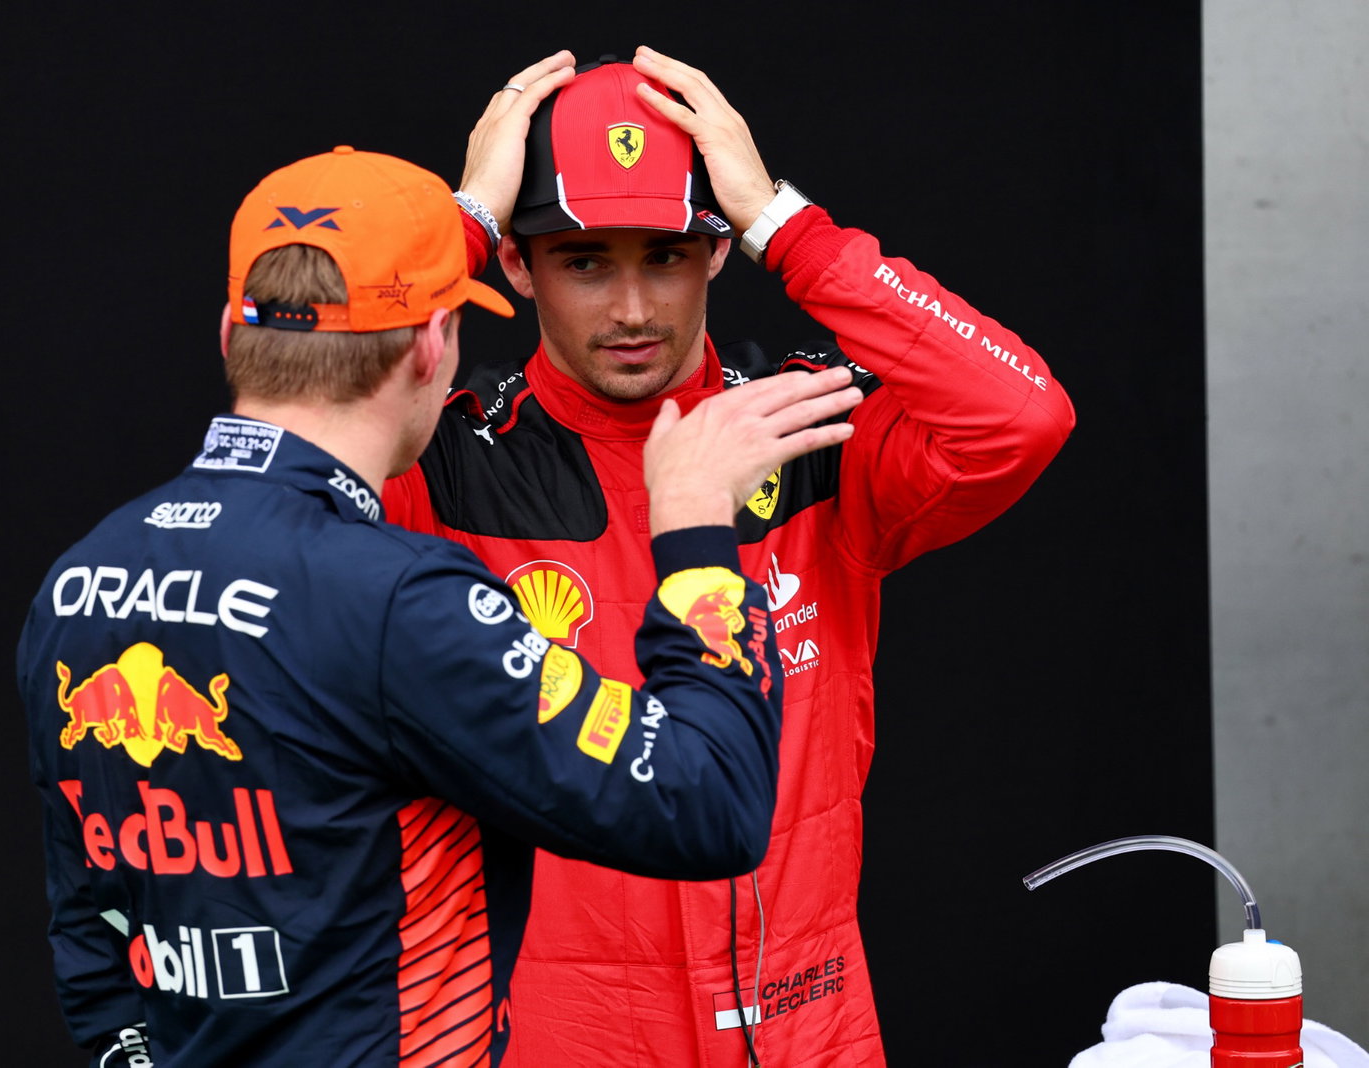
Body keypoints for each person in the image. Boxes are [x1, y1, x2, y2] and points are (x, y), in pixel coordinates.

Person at [18, 146, 866, 1066]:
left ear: (230, 334)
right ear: (434, 343)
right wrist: (699, 532)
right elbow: (709, 801)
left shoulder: (80, 580)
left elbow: (92, 936)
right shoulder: (401, 600)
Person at [381, 48, 1078, 1067]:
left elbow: (1020, 416)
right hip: (557, 1037)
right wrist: (459, 231)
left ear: (715, 254)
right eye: (584, 262)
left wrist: (785, 226)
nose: (631, 308)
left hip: (809, 1023)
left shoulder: (803, 433)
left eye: (664, 255)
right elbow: (310, 409)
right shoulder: (436, 464)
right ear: (519, 269)